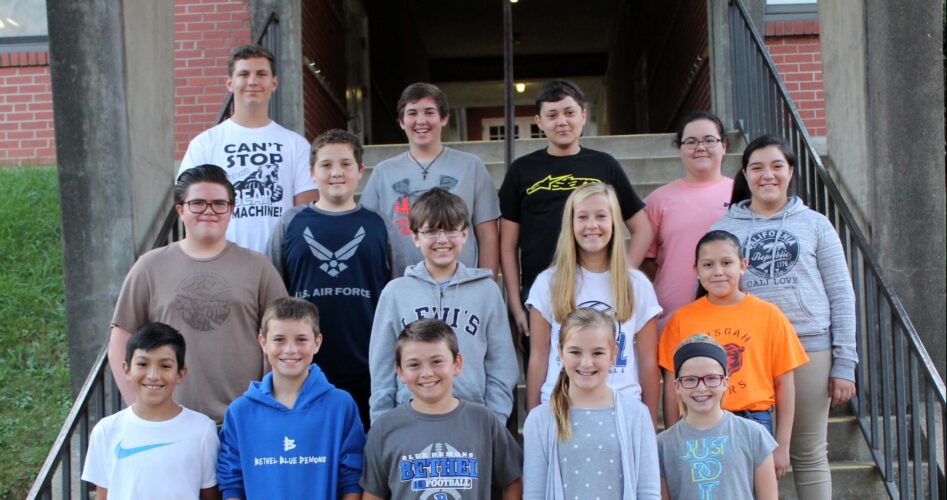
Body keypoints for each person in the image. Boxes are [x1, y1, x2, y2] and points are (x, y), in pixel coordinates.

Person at [711, 135, 857, 498]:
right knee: (749, 452)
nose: (767, 175)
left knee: (809, 452)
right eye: (757, 167)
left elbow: (841, 294)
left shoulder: (816, 224)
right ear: (745, 174)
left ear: (790, 171)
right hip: (746, 351)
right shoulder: (725, 228)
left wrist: (845, 362)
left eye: (777, 166)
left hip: (809, 348)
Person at [108, 164, 288, 423]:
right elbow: (120, 338)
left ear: (231, 210)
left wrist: (270, 403)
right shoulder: (149, 267)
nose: (209, 211)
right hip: (170, 422)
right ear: (180, 210)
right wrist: (139, 407)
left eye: (219, 204)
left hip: (242, 422)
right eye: (198, 203)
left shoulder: (258, 267)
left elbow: (281, 338)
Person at [499, 79, 652, 350]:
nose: (562, 122)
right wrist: (516, 305)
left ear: (583, 115)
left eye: (569, 112)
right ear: (539, 121)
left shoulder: (604, 165)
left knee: (598, 365)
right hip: (541, 292)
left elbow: (643, 228)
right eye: (552, 115)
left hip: (597, 291)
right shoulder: (521, 171)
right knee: (543, 367)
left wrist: (622, 275)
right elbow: (507, 244)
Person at [659, 230, 809, 480]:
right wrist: (674, 434)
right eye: (708, 265)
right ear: (696, 270)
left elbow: (785, 383)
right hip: (697, 421)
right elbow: (671, 386)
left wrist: (782, 445)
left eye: (726, 262)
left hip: (754, 421)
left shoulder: (769, 316)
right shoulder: (681, 320)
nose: (718, 271)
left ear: (743, 266)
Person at [265, 129, 388, 430]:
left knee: (363, 452)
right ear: (312, 173)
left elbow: (399, 288)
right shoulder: (291, 223)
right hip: (302, 365)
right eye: (326, 165)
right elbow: (272, 292)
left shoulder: (378, 224)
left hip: (367, 365)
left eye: (345, 164)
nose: (336, 172)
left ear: (360, 170)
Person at [368, 188, 517, 423]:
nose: (442, 240)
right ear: (415, 237)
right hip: (409, 419)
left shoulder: (487, 292)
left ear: (465, 234)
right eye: (431, 231)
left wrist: (493, 420)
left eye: (450, 230)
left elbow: (501, 363)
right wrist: (383, 423)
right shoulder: (395, 293)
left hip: (472, 419)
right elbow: (382, 366)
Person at [525, 183, 662, 425]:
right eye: (582, 217)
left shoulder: (636, 284)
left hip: (621, 411)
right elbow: (538, 357)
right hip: (560, 411)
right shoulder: (548, 283)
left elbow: (649, 362)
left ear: (614, 223)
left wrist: (648, 425)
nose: (592, 225)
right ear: (570, 224)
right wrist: (533, 421)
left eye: (601, 216)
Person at [217, 297, 365, 500]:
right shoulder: (240, 412)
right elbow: (231, 483)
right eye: (279, 339)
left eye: (301, 339)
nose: (290, 350)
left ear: (317, 343)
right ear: (263, 342)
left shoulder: (340, 406)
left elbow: (352, 478)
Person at [360, 319, 523, 499]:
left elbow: (513, 480)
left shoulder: (483, 420)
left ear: (456, 363)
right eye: (414, 364)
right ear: (400, 371)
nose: (427, 373)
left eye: (436, 361)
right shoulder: (384, 428)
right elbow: (372, 494)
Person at [178, 44, 318, 254]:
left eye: (261, 74)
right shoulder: (205, 144)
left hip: (280, 262)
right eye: (244, 74)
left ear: (274, 82)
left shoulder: (296, 145)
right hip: (222, 260)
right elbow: (189, 207)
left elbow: (306, 213)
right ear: (229, 83)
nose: (252, 81)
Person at [360, 82, 500, 279]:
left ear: (444, 118)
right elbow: (368, 234)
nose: (421, 121)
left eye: (429, 112)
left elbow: (488, 235)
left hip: (461, 284)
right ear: (401, 122)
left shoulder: (471, 166)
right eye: (412, 113)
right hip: (403, 285)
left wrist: (487, 284)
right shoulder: (383, 172)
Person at [523, 307, 660, 499]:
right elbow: (534, 493)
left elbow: (648, 492)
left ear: (613, 355)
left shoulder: (637, 415)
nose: (586, 363)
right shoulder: (540, 420)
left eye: (597, 353)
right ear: (560, 353)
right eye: (575, 352)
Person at [82, 323, 219, 500]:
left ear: (181, 373)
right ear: (126, 370)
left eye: (165, 366)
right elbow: (103, 496)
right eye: (142, 364)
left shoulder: (202, 430)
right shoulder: (106, 431)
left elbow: (210, 495)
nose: (153, 375)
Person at [641, 111, 734, 332]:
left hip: (731, 319)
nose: (700, 147)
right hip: (673, 321)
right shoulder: (657, 200)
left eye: (709, 140)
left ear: (724, 146)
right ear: (680, 149)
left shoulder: (741, 194)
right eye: (691, 141)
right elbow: (645, 259)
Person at [658, 334, 778, 500]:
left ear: (725, 382)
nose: (701, 388)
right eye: (690, 380)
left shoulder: (754, 434)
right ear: (677, 386)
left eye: (711, 378)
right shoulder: (662, 445)